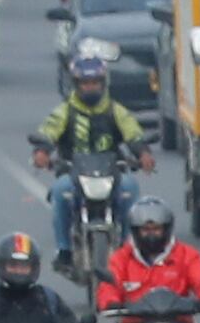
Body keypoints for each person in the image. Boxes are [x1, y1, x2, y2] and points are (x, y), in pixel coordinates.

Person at [32, 52, 147, 265]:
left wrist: (143, 153)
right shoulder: (65, 110)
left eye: (95, 82)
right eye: (85, 83)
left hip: (113, 173)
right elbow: (49, 131)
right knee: (60, 192)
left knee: (130, 190)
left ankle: (127, 248)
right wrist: (42, 151)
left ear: (104, 83)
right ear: (76, 84)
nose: (90, 87)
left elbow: (133, 132)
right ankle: (64, 250)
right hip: (73, 173)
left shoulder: (116, 110)